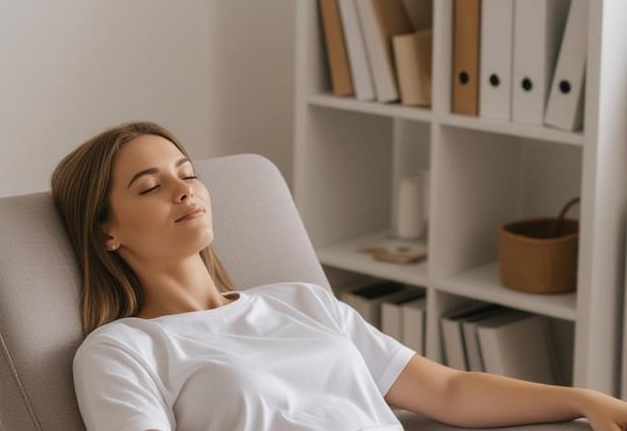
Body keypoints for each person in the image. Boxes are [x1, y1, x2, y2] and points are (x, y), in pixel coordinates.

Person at [51, 121, 627, 431]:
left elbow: (448, 391)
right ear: (108, 233)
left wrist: (581, 399)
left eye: (187, 173)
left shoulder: (300, 302)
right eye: (150, 187)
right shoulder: (123, 349)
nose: (185, 189)